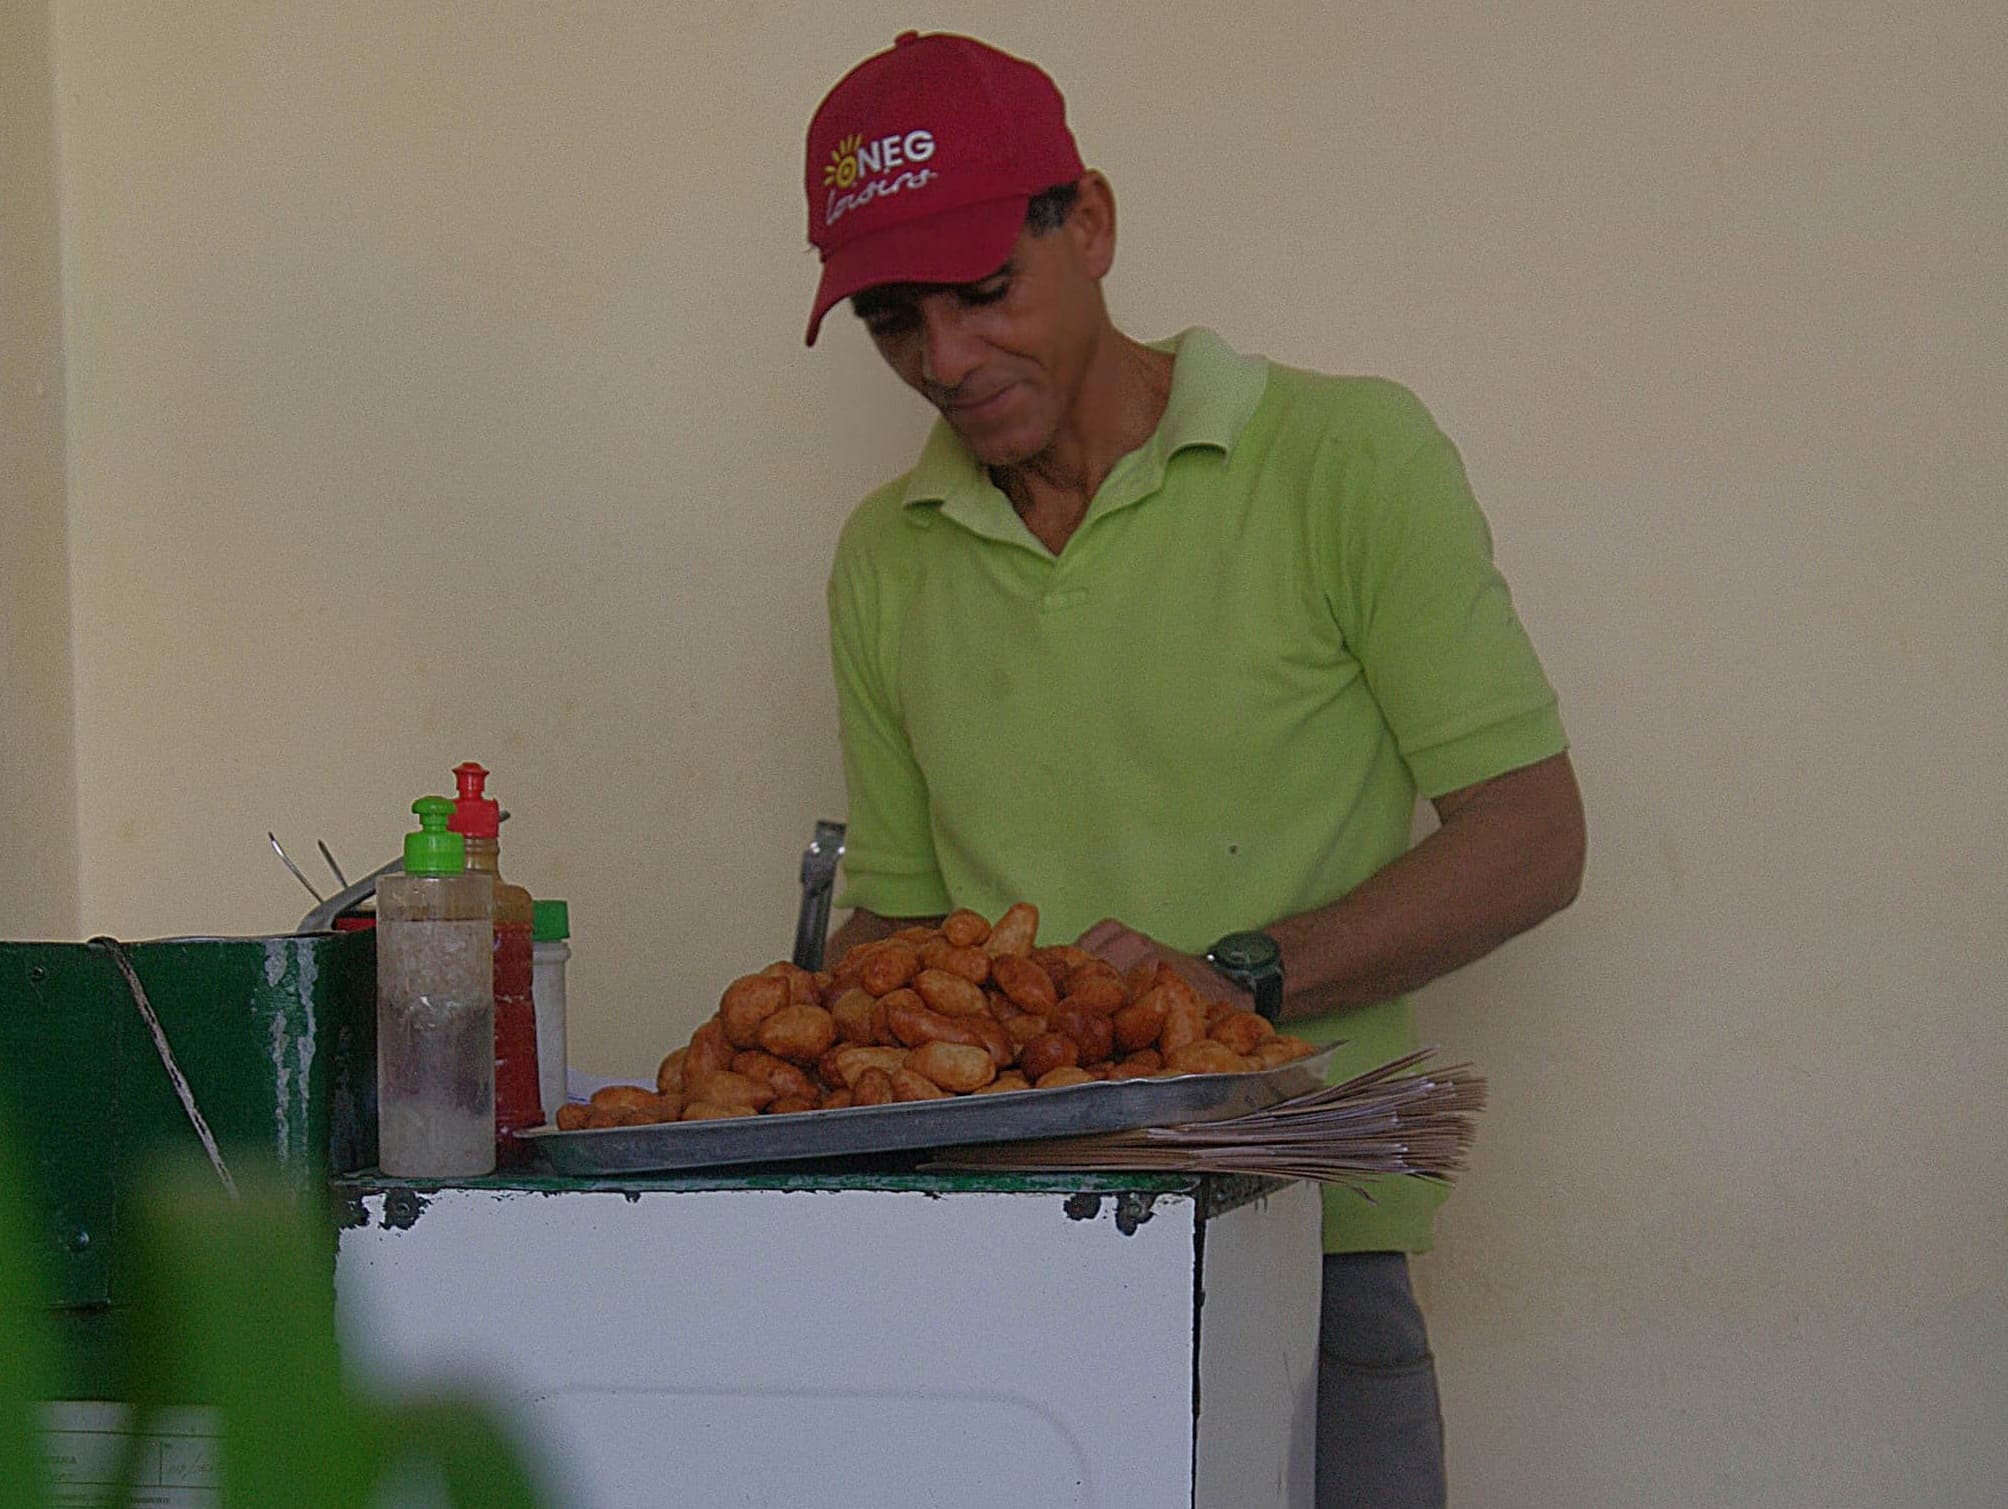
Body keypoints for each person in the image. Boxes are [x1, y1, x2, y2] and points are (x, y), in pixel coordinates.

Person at [802, 31, 1586, 1509]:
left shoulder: (1344, 460)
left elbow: (1535, 834)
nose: (946, 362)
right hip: (999, 1267)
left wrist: (1240, 974)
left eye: (984, 293)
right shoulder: (884, 557)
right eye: (895, 320)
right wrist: (811, 1058)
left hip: (1307, 1244)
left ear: (1086, 222)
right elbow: (900, 928)